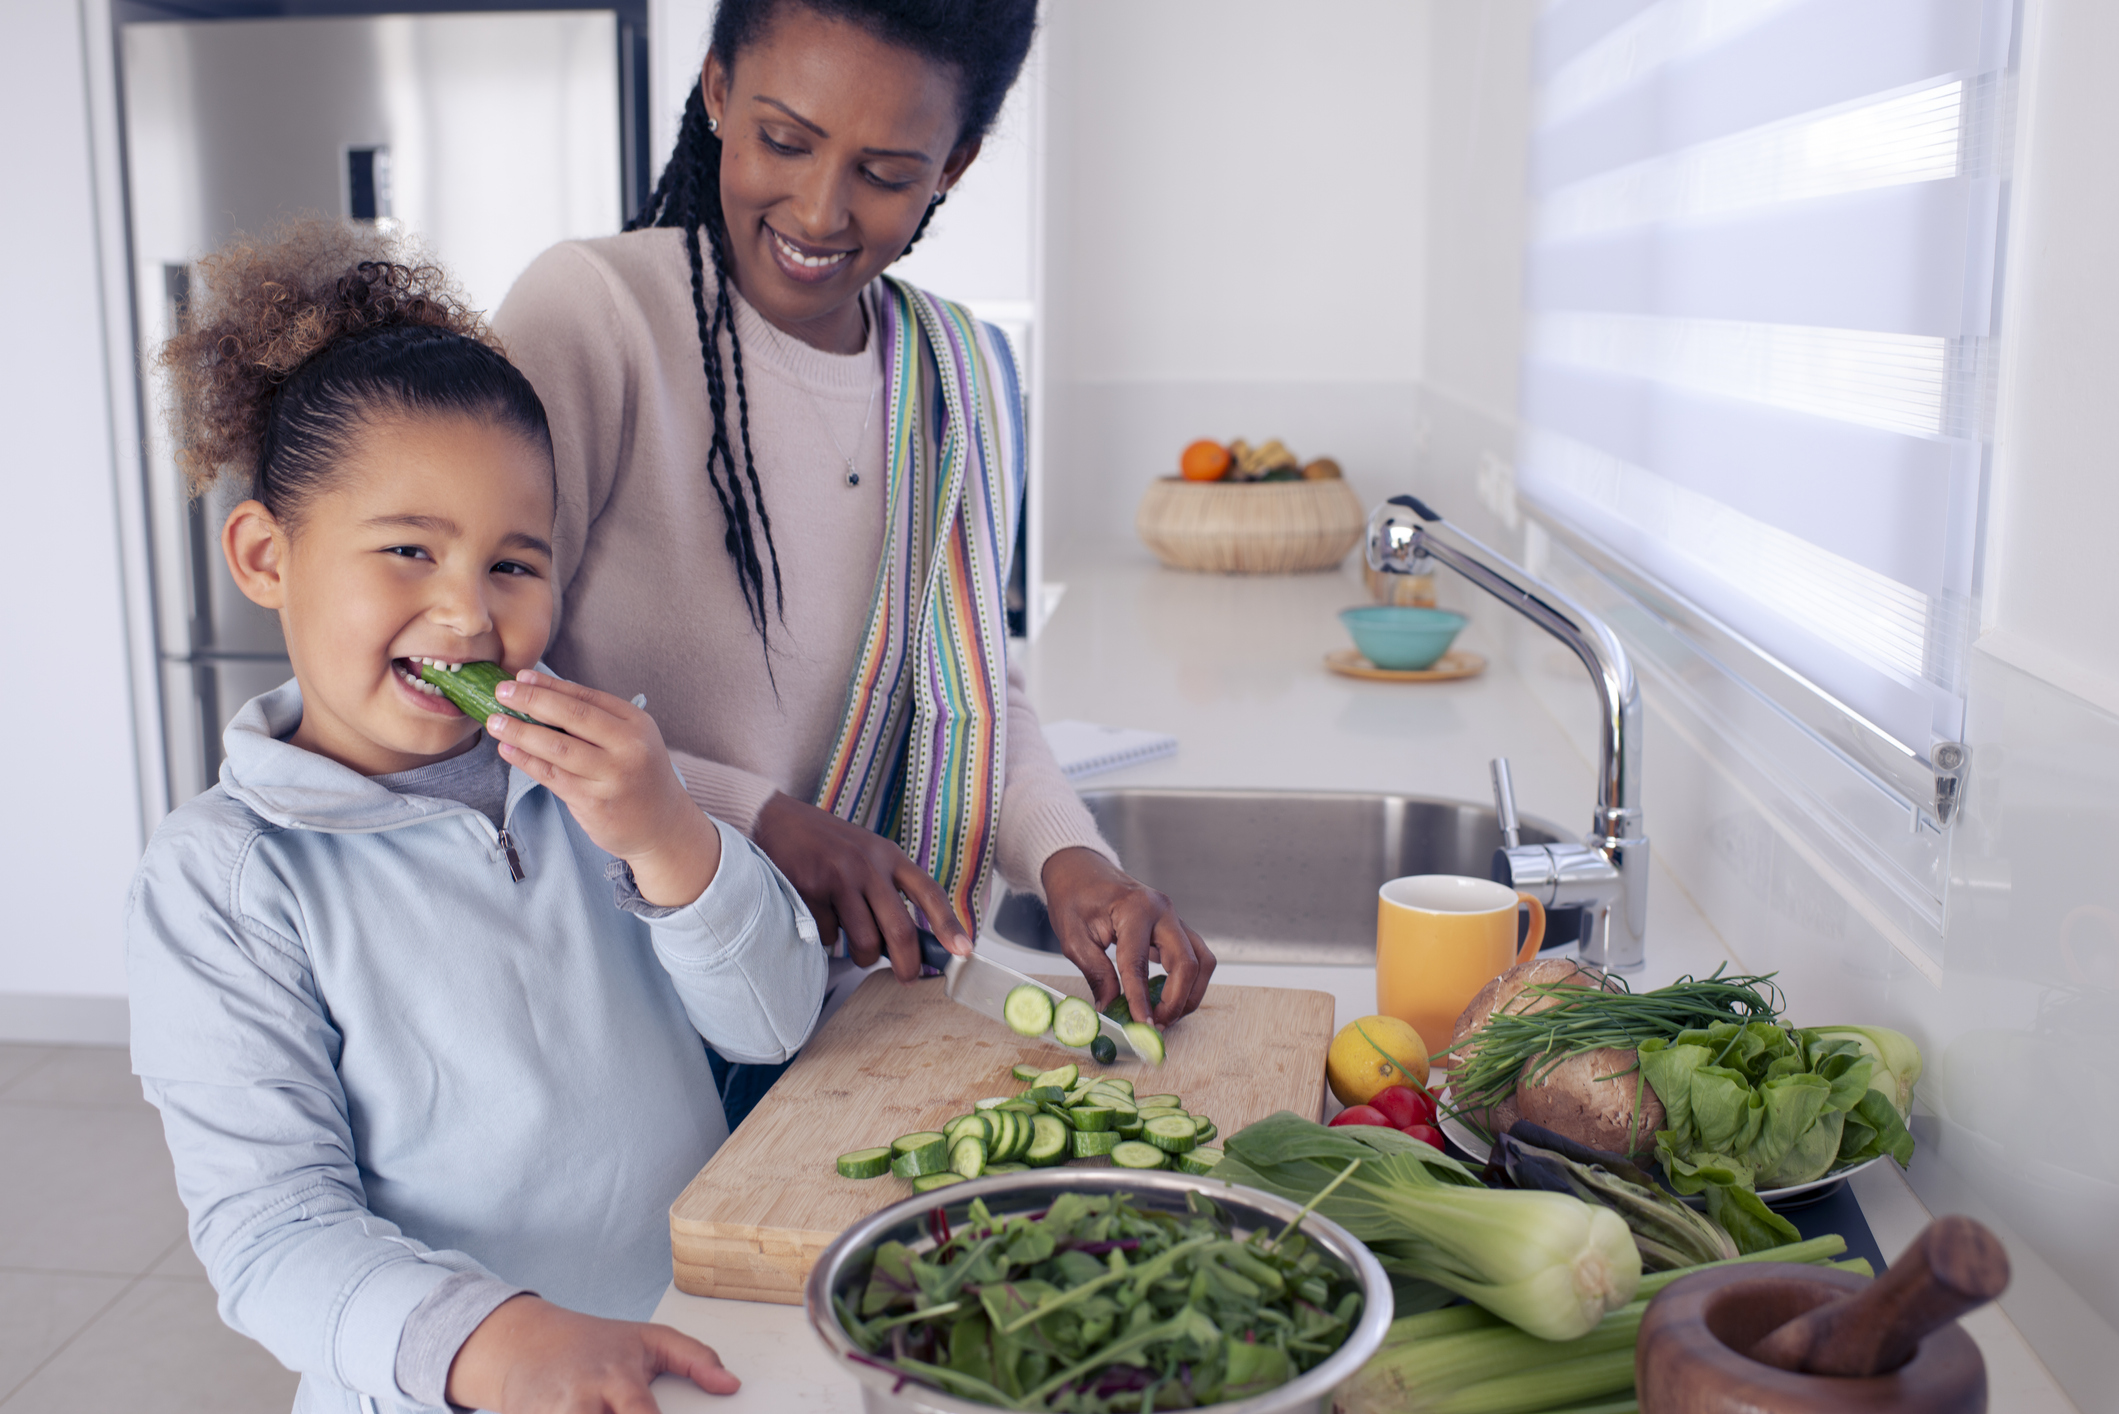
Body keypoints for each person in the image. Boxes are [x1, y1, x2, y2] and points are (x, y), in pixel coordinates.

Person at [128, 220, 824, 1413]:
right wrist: (493, 1341)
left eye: (514, 564)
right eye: (408, 549)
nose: (465, 615)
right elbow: (269, 1233)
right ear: (264, 555)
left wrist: (672, 840)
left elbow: (771, 1026)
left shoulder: (600, 774)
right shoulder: (226, 882)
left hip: (686, 1353)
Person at [492, 0, 1216, 1069]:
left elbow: (972, 691)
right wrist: (760, 817)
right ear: (719, 92)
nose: (821, 210)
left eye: (883, 173)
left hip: (837, 1006)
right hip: (614, 1004)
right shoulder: (595, 314)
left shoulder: (955, 372)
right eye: (784, 140)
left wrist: (1073, 860)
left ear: (953, 166)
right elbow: (482, 672)